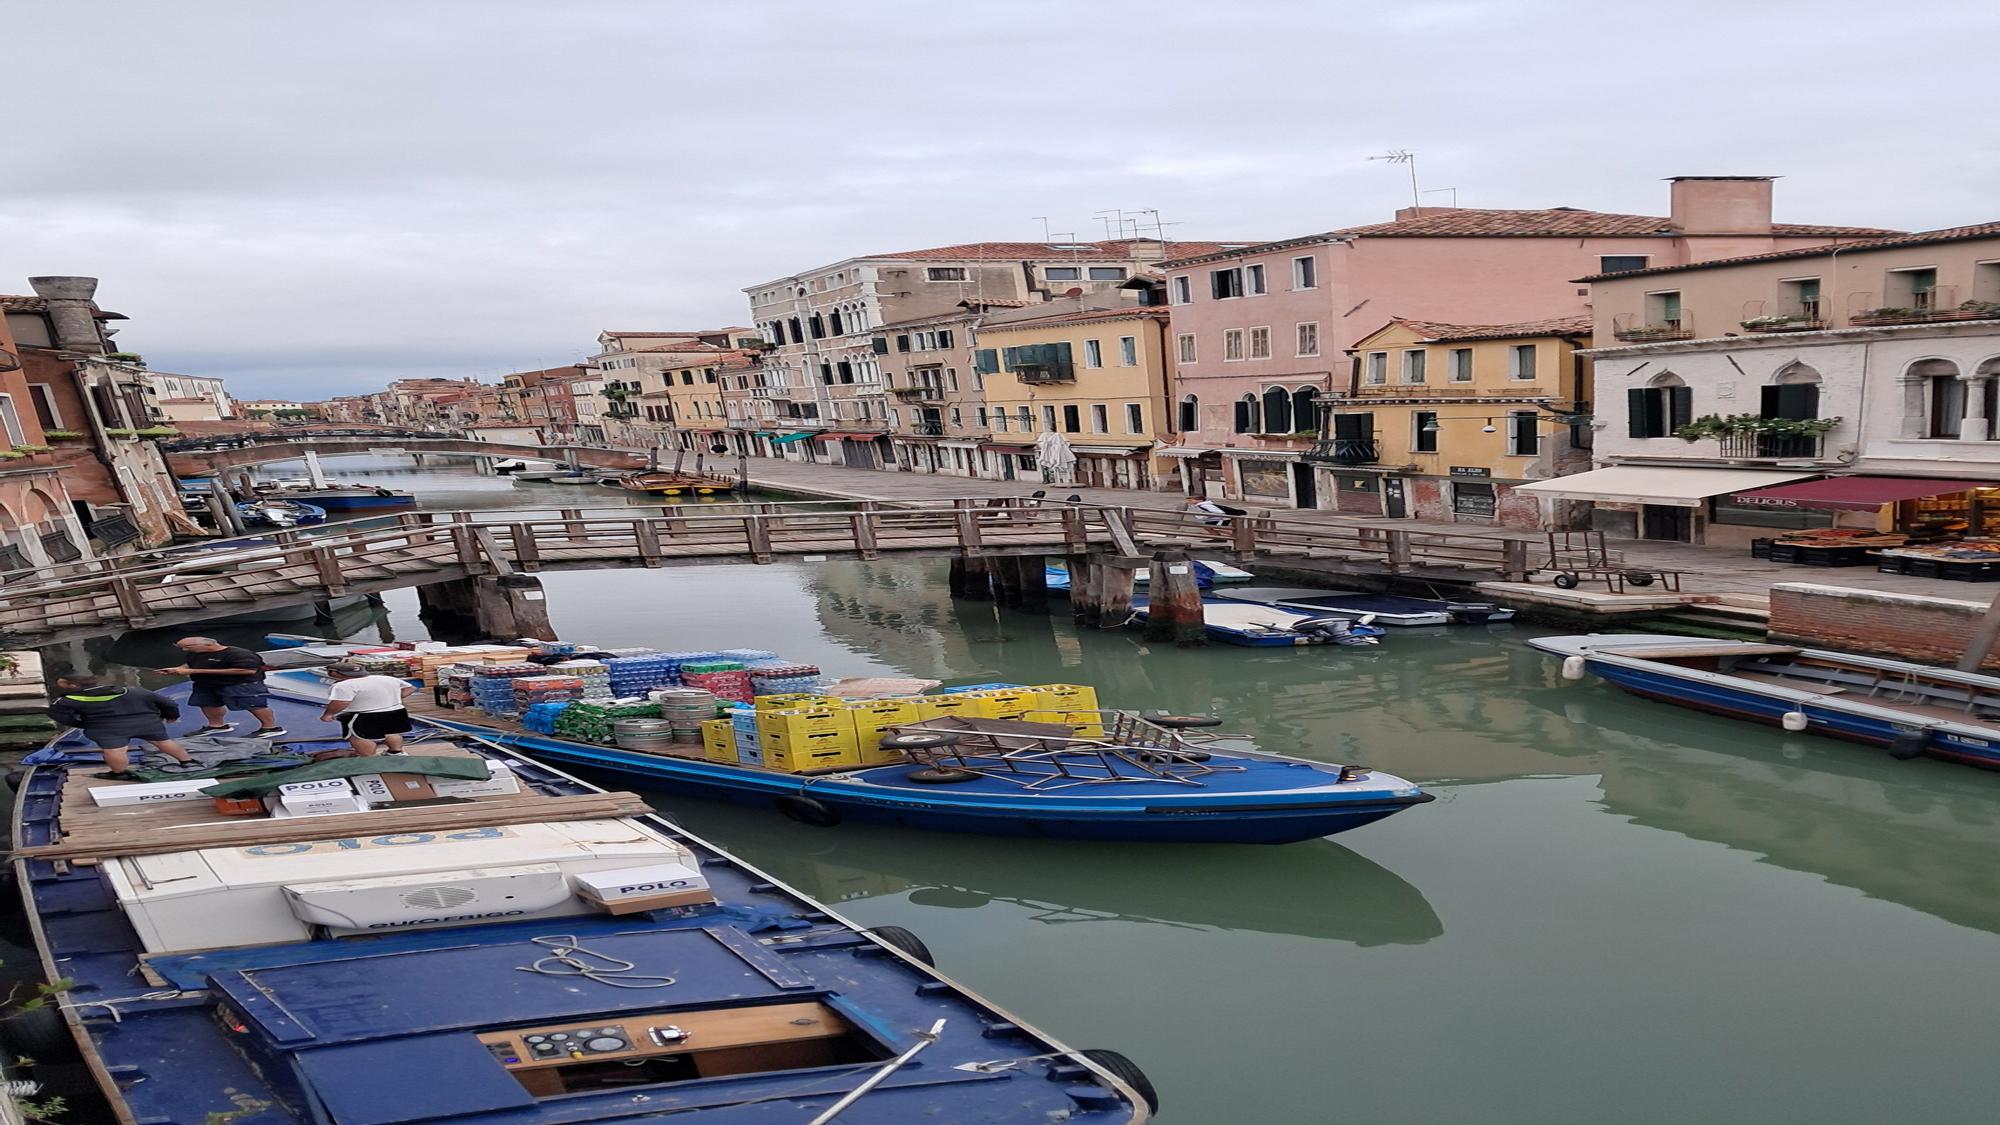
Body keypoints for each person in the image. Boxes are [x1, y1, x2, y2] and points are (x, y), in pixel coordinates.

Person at [48, 674, 200, 780]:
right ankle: (187, 761)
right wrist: (171, 715)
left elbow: (58, 715)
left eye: (62, 683)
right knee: (163, 742)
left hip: (107, 728)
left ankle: (119, 772)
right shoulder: (136, 691)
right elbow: (169, 703)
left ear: (73, 685)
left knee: (115, 750)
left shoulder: (66, 701)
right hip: (146, 723)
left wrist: (82, 724)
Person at [161, 637, 287, 738]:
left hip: (240, 684)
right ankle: (216, 725)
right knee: (208, 703)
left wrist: (196, 670)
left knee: (254, 705)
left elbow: (246, 671)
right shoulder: (196, 654)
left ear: (207, 645)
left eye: (187, 647)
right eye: (182, 647)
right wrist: (179, 669)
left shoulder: (239, 654)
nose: (184, 650)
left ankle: (270, 727)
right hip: (206, 684)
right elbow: (189, 664)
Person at [318, 662, 417, 756]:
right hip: (395, 711)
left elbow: (341, 702)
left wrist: (328, 714)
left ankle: (369, 759)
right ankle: (396, 753)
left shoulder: (343, 686)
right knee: (392, 732)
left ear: (335, 673)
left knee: (359, 737)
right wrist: (391, 698)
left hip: (364, 715)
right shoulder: (387, 679)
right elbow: (411, 688)